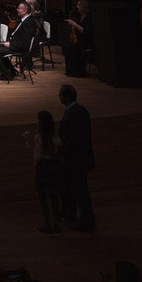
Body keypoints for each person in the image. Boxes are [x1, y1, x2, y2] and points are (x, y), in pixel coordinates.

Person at [59, 83, 97, 230]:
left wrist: (61, 151)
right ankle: (73, 215)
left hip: (75, 160)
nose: (59, 97)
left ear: (66, 97)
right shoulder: (77, 111)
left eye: (61, 95)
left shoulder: (75, 113)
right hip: (75, 159)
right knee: (74, 189)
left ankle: (87, 222)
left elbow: (76, 139)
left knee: (80, 191)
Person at [25, 111, 64, 232]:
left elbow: (37, 157)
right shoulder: (55, 138)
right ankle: (57, 226)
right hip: (54, 167)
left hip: (43, 168)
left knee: (43, 198)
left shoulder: (40, 138)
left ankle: (48, 225)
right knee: (54, 197)